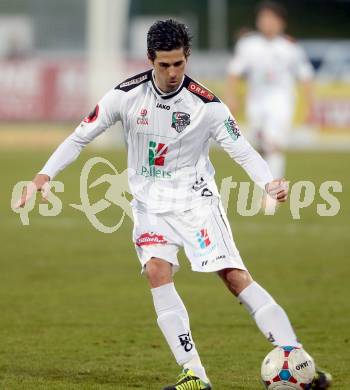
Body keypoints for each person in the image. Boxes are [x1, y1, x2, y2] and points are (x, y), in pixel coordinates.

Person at [17, 19, 331, 390]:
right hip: (150, 207)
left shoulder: (207, 105)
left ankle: (296, 357)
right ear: (150, 60)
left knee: (233, 276)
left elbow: (242, 149)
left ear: (188, 58)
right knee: (156, 272)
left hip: (196, 204)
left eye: (178, 64)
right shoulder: (125, 95)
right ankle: (194, 374)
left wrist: (269, 182)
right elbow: (79, 137)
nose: (171, 73)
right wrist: (43, 176)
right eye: (163, 65)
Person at [226, 1, 314, 181]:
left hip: (281, 100)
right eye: (264, 18)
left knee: (273, 141)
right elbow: (234, 72)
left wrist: (309, 105)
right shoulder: (248, 45)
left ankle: (274, 191)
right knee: (261, 142)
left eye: (271, 18)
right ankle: (268, 178)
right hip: (256, 101)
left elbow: (305, 76)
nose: (267, 22)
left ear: (281, 22)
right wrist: (231, 98)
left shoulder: (290, 47)